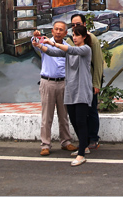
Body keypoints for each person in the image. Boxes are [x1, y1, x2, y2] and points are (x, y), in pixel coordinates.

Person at [33, 24, 93, 166]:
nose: (75, 37)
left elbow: (69, 49)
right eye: (73, 35)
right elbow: (54, 53)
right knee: (72, 119)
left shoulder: (85, 49)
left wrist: (53, 43)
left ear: (84, 37)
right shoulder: (68, 50)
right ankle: (83, 146)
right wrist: (42, 46)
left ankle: (81, 154)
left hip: (82, 91)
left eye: (77, 35)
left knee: (80, 121)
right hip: (70, 91)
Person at [33, 21, 76, 156]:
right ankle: (45, 144)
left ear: (65, 33)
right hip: (48, 82)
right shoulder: (44, 42)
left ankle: (66, 141)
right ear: (52, 31)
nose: (58, 32)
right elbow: (35, 42)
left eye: (61, 30)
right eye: (56, 29)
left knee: (64, 115)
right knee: (47, 116)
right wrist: (36, 36)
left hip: (63, 83)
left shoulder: (67, 47)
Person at [70, 13, 104, 150]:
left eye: (78, 24)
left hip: (89, 82)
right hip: (76, 83)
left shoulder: (92, 39)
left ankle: (93, 138)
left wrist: (96, 83)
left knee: (92, 110)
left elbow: (98, 62)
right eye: (73, 25)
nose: (75, 27)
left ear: (84, 24)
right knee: (80, 113)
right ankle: (84, 140)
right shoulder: (71, 40)